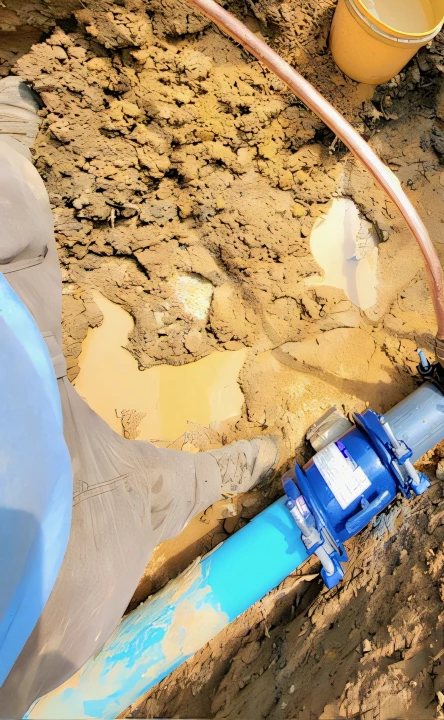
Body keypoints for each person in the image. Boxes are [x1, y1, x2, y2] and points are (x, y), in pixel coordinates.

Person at [0, 76, 278, 717]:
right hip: (52, 581)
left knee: (20, 272)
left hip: (25, 404)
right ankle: (233, 470)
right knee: (155, 488)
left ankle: (10, 157)